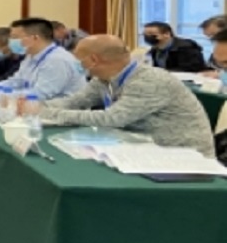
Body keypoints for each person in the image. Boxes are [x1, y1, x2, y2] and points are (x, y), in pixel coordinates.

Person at [43, 35, 215, 157]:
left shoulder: (149, 81)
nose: (76, 64)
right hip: (141, 146)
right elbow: (75, 101)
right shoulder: (102, 79)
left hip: (181, 155)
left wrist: (46, 113)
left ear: (93, 60)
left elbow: (111, 119)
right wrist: (40, 106)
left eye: (78, 59)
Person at [0, 17, 85, 100]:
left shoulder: (57, 60)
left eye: (15, 37)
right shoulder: (30, 56)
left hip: (60, 112)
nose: (11, 42)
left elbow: (40, 94)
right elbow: (16, 82)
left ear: (35, 38)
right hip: (36, 109)